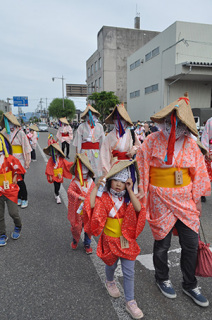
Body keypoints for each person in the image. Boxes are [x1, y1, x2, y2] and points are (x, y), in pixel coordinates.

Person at [136, 92, 211, 307]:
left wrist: (197, 201)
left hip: (185, 200)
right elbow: (141, 165)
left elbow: (198, 172)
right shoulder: (152, 140)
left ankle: (190, 283)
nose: (173, 125)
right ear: (165, 120)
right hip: (160, 198)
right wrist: (143, 192)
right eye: (170, 121)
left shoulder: (191, 144)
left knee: (190, 244)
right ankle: (162, 278)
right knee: (162, 244)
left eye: (178, 122)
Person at [84, 160, 146, 319]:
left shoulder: (127, 198)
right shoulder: (104, 196)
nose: (119, 185)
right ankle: (110, 280)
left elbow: (139, 209)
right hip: (110, 240)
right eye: (116, 180)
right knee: (111, 265)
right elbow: (90, 205)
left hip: (126, 240)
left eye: (123, 182)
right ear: (110, 181)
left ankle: (130, 301)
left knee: (129, 271)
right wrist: (96, 186)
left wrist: (131, 191)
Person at [1, 112, 32, 209]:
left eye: (10, 122)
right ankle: (18, 197)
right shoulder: (3, 132)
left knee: (20, 179)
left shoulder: (20, 132)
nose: (9, 124)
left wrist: (27, 160)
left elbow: (26, 147)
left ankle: (25, 198)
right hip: (8, 159)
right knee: (12, 180)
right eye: (7, 122)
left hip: (19, 160)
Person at [99, 103, 141, 175]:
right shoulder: (109, 136)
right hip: (113, 166)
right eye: (115, 118)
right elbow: (104, 156)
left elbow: (139, 146)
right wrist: (108, 172)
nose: (118, 121)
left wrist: (133, 150)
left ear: (125, 120)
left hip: (128, 165)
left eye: (121, 118)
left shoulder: (131, 133)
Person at [0, 133, 26, 246]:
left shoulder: (9, 158)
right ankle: (2, 234)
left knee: (13, 212)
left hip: (10, 189)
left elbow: (19, 168)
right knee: (0, 215)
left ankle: (18, 225)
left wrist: (15, 175)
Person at [67, 153, 95, 254]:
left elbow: (94, 193)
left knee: (88, 227)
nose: (82, 175)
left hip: (88, 210)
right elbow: (70, 191)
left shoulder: (91, 181)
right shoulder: (74, 182)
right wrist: (79, 197)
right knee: (76, 227)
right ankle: (75, 239)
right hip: (78, 210)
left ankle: (87, 244)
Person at [73, 104, 105, 178]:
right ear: (86, 116)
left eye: (93, 114)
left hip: (96, 152)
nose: (91, 116)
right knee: (84, 171)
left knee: (94, 172)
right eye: (88, 114)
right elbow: (78, 142)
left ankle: (92, 187)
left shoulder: (99, 126)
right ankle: (85, 188)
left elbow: (102, 142)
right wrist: (78, 154)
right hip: (84, 152)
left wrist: (102, 155)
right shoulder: (81, 126)